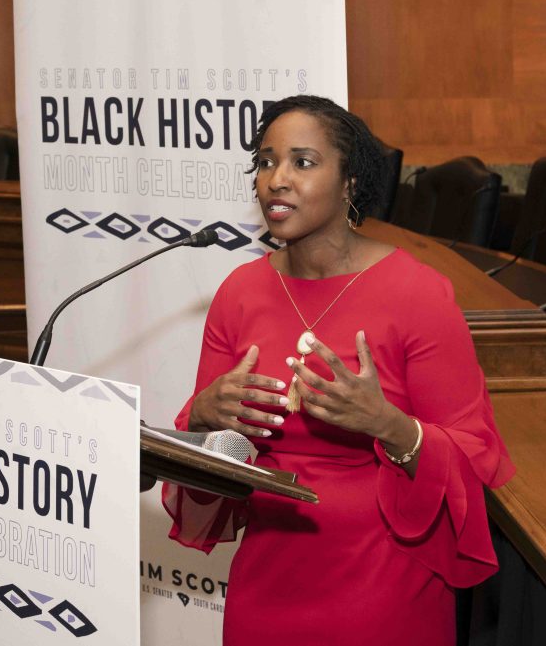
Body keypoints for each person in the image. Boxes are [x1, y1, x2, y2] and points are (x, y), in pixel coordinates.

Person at [163, 95, 514, 645]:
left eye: (303, 162)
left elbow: (476, 454)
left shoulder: (417, 293)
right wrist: (204, 416)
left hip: (384, 581)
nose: (277, 178)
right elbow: (212, 463)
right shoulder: (239, 293)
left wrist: (386, 423)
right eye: (266, 161)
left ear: (349, 182)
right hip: (267, 578)